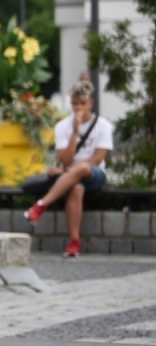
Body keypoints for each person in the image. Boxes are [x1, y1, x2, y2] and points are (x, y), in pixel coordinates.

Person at [25, 80, 113, 256]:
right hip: (71, 177)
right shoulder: (63, 126)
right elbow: (65, 159)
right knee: (75, 189)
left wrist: (69, 169)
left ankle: (41, 205)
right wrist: (74, 132)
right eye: (75, 103)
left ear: (91, 103)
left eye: (83, 103)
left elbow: (97, 158)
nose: (78, 108)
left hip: (94, 175)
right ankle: (74, 242)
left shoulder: (103, 125)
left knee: (82, 167)